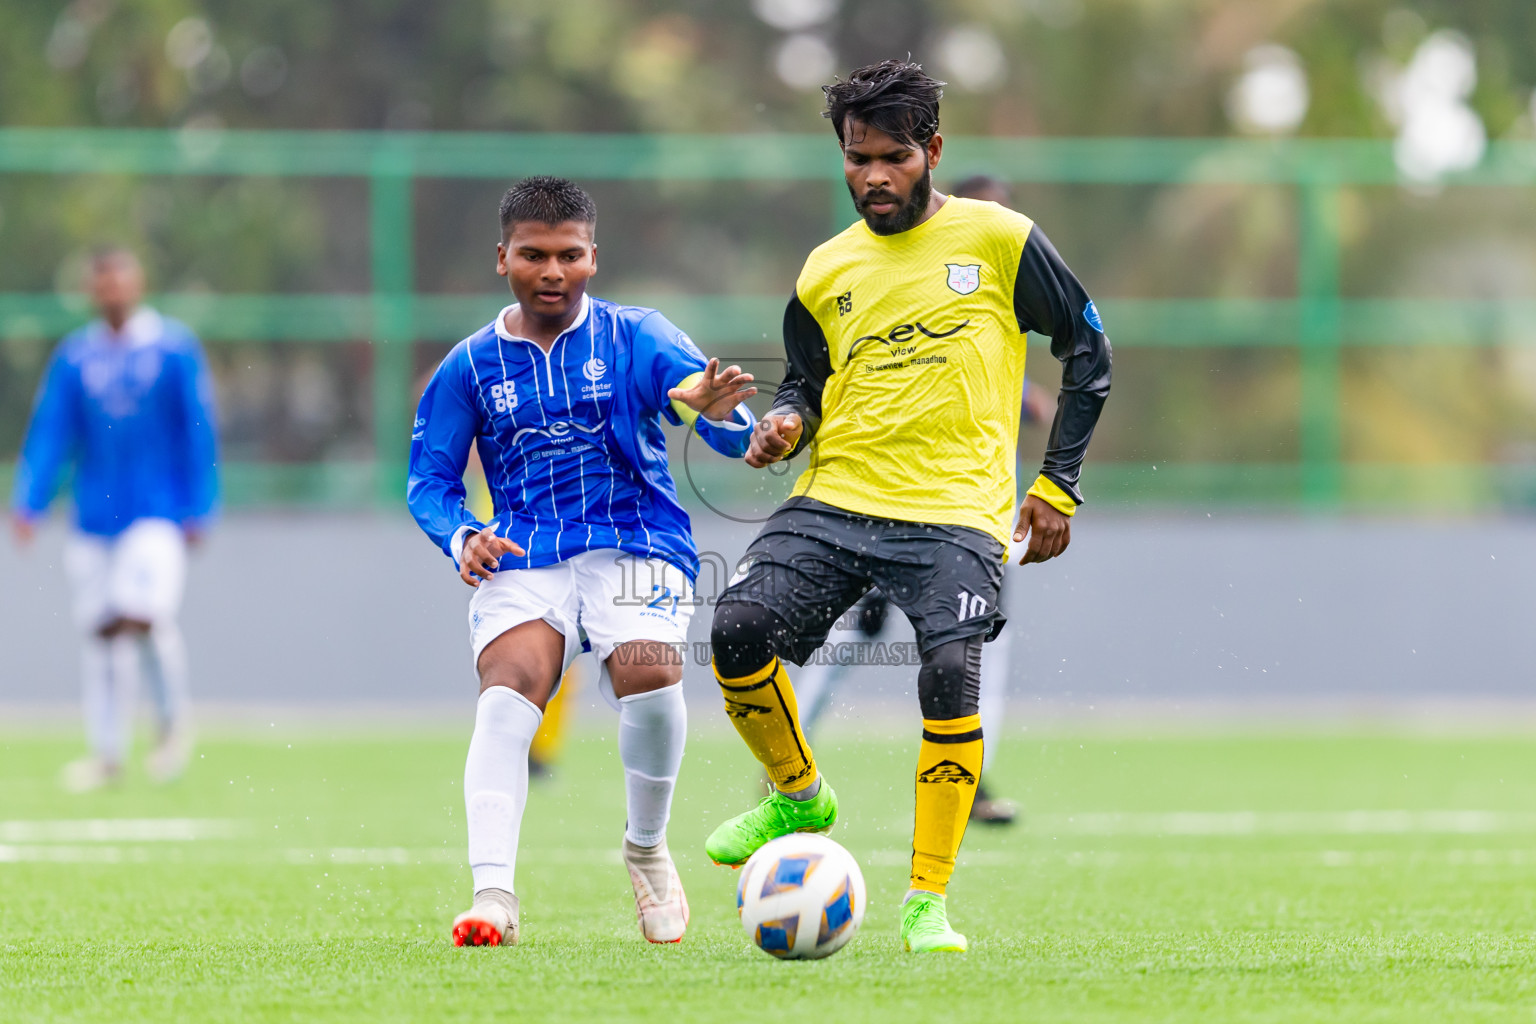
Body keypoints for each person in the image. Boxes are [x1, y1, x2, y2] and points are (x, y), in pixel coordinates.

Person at [705, 61, 1112, 954]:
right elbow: (808, 388)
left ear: (932, 151)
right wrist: (782, 425)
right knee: (734, 629)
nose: (873, 178)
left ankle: (926, 901)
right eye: (857, 159)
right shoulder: (825, 271)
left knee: (947, 676)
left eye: (892, 157)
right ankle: (799, 794)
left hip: (955, 514)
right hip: (837, 497)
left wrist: (1057, 484)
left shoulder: (1001, 240)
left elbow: (1088, 350)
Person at [408, 176, 757, 948]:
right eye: (534, 255)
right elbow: (429, 481)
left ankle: (645, 846)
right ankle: (493, 895)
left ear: (594, 257)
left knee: (649, 669)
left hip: (637, 541)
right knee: (510, 691)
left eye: (569, 254)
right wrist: (464, 535)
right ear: (502, 258)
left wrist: (730, 419)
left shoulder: (640, 336)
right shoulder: (467, 366)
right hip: (528, 551)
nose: (553, 271)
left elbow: (725, 420)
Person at [790, 173, 1056, 826]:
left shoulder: (1006, 282)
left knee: (981, 641)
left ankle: (974, 779)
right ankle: (790, 760)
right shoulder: (910, 272)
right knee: (861, 631)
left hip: (971, 517)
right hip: (889, 503)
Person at [11, 247, 218, 792]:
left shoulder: (173, 349)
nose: (111, 292)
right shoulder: (76, 357)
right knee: (102, 633)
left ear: (136, 283)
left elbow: (197, 427)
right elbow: (52, 431)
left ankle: (172, 726)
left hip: (156, 513)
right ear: (91, 291)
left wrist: (200, 503)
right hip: (92, 518)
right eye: (100, 284)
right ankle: (107, 754)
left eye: (118, 281)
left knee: (142, 613)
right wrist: (29, 500)